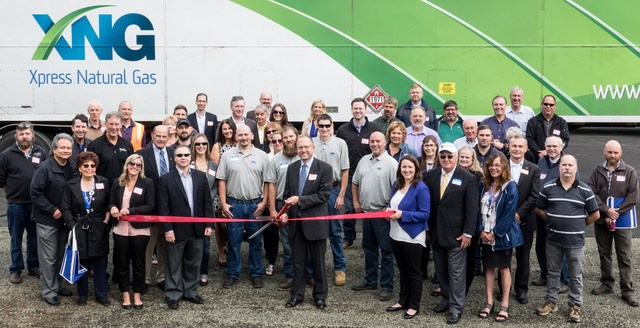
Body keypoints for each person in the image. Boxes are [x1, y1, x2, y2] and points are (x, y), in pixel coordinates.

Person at [535, 155, 599, 323]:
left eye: (570, 165)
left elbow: (595, 214)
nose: (567, 168)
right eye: (564, 165)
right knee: (553, 272)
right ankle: (551, 302)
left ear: (576, 168)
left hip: (575, 242)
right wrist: (552, 220)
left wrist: (578, 225)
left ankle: (575, 306)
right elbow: (539, 209)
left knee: (575, 275)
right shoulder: (548, 187)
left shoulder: (585, 190)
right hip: (553, 239)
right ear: (560, 167)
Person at [423, 142, 479, 325]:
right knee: (441, 271)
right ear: (439, 158)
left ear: (456, 158)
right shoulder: (430, 176)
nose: (446, 159)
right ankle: (446, 299)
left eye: (449, 156)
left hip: (457, 235)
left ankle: (456, 308)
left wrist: (468, 234)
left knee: (456, 273)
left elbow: (472, 209)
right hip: (436, 233)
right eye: (443, 156)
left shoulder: (468, 178)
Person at [158, 145, 214, 310]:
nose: (183, 157)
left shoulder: (200, 176)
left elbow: (207, 203)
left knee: (193, 262)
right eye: (179, 155)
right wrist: (167, 229)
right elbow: (163, 207)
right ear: (174, 158)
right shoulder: (165, 179)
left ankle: (190, 291)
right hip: (175, 230)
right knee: (174, 263)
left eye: (186, 155)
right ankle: (173, 294)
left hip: (197, 228)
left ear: (191, 157)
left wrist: (209, 223)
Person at [280, 136, 333, 309]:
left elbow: (323, 195)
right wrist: (285, 213)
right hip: (296, 224)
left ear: (313, 147)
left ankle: (319, 296)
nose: (303, 150)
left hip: (315, 224)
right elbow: (287, 195)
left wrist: (300, 200)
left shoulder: (324, 168)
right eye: (300, 147)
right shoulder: (292, 168)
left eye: (306, 147)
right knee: (298, 262)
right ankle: (297, 294)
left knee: (318, 262)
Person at [217, 125, 269, 289]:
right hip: (234, 205)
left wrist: (264, 202)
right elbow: (222, 180)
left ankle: (256, 273)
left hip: (255, 204)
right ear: (236, 137)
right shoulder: (227, 155)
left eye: (246, 134)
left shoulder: (262, 156)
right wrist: (224, 203)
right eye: (240, 135)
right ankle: (232, 272)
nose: (244, 137)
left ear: (252, 135)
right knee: (233, 241)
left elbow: (268, 182)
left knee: (255, 240)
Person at [588, 140, 639, 307]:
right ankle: (607, 284)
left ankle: (627, 291)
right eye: (610, 152)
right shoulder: (597, 170)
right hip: (602, 219)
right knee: (604, 253)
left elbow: (633, 196)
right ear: (604, 152)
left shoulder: (629, 171)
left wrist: (616, 213)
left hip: (622, 220)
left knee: (624, 256)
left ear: (620, 153)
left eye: (616, 152)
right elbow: (591, 192)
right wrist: (606, 210)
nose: (613, 155)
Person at [476, 153, 523, 322]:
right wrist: (481, 230)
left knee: (504, 269)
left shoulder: (510, 186)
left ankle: (504, 304)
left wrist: (494, 234)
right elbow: (477, 209)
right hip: (485, 234)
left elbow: (509, 214)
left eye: (497, 165)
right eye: (491, 165)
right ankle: (489, 302)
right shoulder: (484, 184)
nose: (494, 168)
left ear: (504, 167)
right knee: (488, 268)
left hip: (502, 236)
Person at [351, 132, 398, 301]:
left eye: (378, 141)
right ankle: (370, 280)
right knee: (368, 248)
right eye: (372, 141)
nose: (375, 144)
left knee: (386, 251)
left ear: (385, 142)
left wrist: (388, 208)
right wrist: (356, 201)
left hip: (382, 215)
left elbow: (398, 189)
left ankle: (386, 286)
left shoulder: (392, 164)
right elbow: (355, 182)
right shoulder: (364, 160)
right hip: (366, 213)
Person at [30, 133, 76, 306]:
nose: (65, 150)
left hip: (65, 219)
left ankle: (57, 285)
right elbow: (35, 193)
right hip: (48, 220)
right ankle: (49, 291)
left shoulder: (72, 166)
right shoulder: (44, 168)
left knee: (60, 255)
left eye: (68, 148)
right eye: (62, 147)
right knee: (48, 258)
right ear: (54, 149)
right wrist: (52, 209)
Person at [61, 151, 111, 306]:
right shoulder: (71, 184)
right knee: (81, 260)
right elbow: (65, 207)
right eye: (86, 165)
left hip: (98, 226)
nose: (90, 168)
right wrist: (72, 225)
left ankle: (101, 294)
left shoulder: (103, 182)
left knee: (99, 261)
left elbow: (110, 203)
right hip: (79, 226)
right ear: (80, 168)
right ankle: (82, 294)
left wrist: (107, 220)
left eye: (93, 165)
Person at [0, 122, 47, 284]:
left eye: (27, 133)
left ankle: (33, 266)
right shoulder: (7, 154)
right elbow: (1, 180)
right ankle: (16, 268)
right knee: (16, 238)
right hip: (16, 205)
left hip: (36, 204)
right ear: (16, 136)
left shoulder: (41, 153)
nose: (24, 136)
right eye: (21, 134)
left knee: (34, 236)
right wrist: (13, 194)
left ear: (33, 135)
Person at [385, 155, 430, 319]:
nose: (407, 170)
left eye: (410, 167)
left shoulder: (421, 188)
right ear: (400, 169)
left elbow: (425, 214)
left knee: (414, 272)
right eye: (404, 167)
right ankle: (402, 300)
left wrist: (402, 214)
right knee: (402, 270)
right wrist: (388, 210)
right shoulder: (396, 184)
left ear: (416, 169)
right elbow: (392, 204)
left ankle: (414, 305)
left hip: (412, 237)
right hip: (395, 234)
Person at [108, 154, 155, 309]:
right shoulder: (118, 182)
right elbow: (111, 202)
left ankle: (137, 294)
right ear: (127, 165)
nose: (135, 167)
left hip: (140, 229)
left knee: (139, 263)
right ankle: (125, 295)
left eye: (138, 165)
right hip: (120, 229)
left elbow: (150, 206)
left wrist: (131, 210)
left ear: (141, 168)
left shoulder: (147, 183)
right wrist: (113, 208)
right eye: (132, 164)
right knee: (121, 263)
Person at [336, 97, 381, 250]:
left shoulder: (374, 128)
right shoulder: (343, 130)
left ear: (365, 110)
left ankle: (372, 239)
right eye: (355, 108)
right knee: (349, 207)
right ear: (352, 110)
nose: (358, 111)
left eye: (361, 108)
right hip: (349, 174)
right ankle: (348, 238)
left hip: (370, 174)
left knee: (370, 206)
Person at [501, 133, 540, 305]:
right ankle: (504, 290)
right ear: (508, 147)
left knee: (523, 258)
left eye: (520, 146)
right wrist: (508, 215)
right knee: (504, 257)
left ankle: (521, 289)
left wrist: (518, 214)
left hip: (524, 221)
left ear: (526, 148)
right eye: (514, 146)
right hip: (503, 221)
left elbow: (534, 195)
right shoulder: (501, 167)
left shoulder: (534, 168)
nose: (517, 149)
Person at [312, 114, 349, 287]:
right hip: (314, 192)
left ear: (332, 126)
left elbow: (344, 171)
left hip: (333, 190)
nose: (324, 129)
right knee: (314, 231)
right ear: (316, 125)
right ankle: (314, 269)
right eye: (321, 126)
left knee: (335, 232)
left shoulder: (340, 143)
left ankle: (340, 269)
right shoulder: (311, 143)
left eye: (327, 125)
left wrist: (341, 194)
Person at [136, 125, 174, 292]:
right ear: (152, 136)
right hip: (149, 207)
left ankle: (162, 277)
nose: (160, 139)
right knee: (147, 245)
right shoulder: (142, 155)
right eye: (157, 136)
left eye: (163, 137)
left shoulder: (174, 154)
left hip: (168, 208)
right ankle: (144, 278)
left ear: (168, 137)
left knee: (164, 244)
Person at [533, 136, 570, 291]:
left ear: (561, 148)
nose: (551, 149)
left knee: (559, 246)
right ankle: (545, 274)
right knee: (540, 244)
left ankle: (564, 280)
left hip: (557, 213)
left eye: (555, 146)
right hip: (541, 211)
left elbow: (572, 188)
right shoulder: (542, 161)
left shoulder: (567, 163)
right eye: (548, 146)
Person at [265, 125, 300, 290]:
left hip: (302, 205)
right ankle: (290, 276)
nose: (288, 140)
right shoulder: (276, 160)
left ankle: (307, 275)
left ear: (296, 136)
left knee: (305, 240)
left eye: (290, 136)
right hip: (283, 205)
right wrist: (273, 210)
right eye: (285, 138)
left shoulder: (304, 155)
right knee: (287, 243)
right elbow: (271, 185)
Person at [190, 133, 219, 287]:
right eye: (197, 144)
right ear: (193, 146)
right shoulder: (189, 163)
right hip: (192, 209)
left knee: (206, 246)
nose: (201, 146)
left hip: (208, 208)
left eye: (204, 144)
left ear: (208, 146)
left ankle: (203, 272)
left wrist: (208, 196)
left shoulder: (213, 165)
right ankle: (191, 272)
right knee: (192, 243)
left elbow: (215, 185)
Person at [209, 118, 237, 267]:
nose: (227, 131)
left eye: (230, 128)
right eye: (224, 129)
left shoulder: (240, 145)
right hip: (222, 190)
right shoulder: (218, 146)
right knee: (220, 225)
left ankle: (232, 250)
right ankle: (221, 251)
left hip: (236, 190)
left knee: (233, 225)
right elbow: (216, 171)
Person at [87, 111, 134, 185]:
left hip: (122, 188)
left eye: (117, 124)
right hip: (102, 189)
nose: (114, 127)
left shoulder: (127, 145)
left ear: (121, 125)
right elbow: (89, 169)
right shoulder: (94, 145)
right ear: (105, 124)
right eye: (111, 124)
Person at [526, 95, 570, 162]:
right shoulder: (532, 121)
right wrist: (540, 152)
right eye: (545, 104)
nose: (548, 106)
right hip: (536, 158)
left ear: (555, 106)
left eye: (551, 105)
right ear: (542, 105)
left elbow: (565, 140)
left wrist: (549, 151)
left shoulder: (561, 122)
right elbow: (529, 139)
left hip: (556, 158)